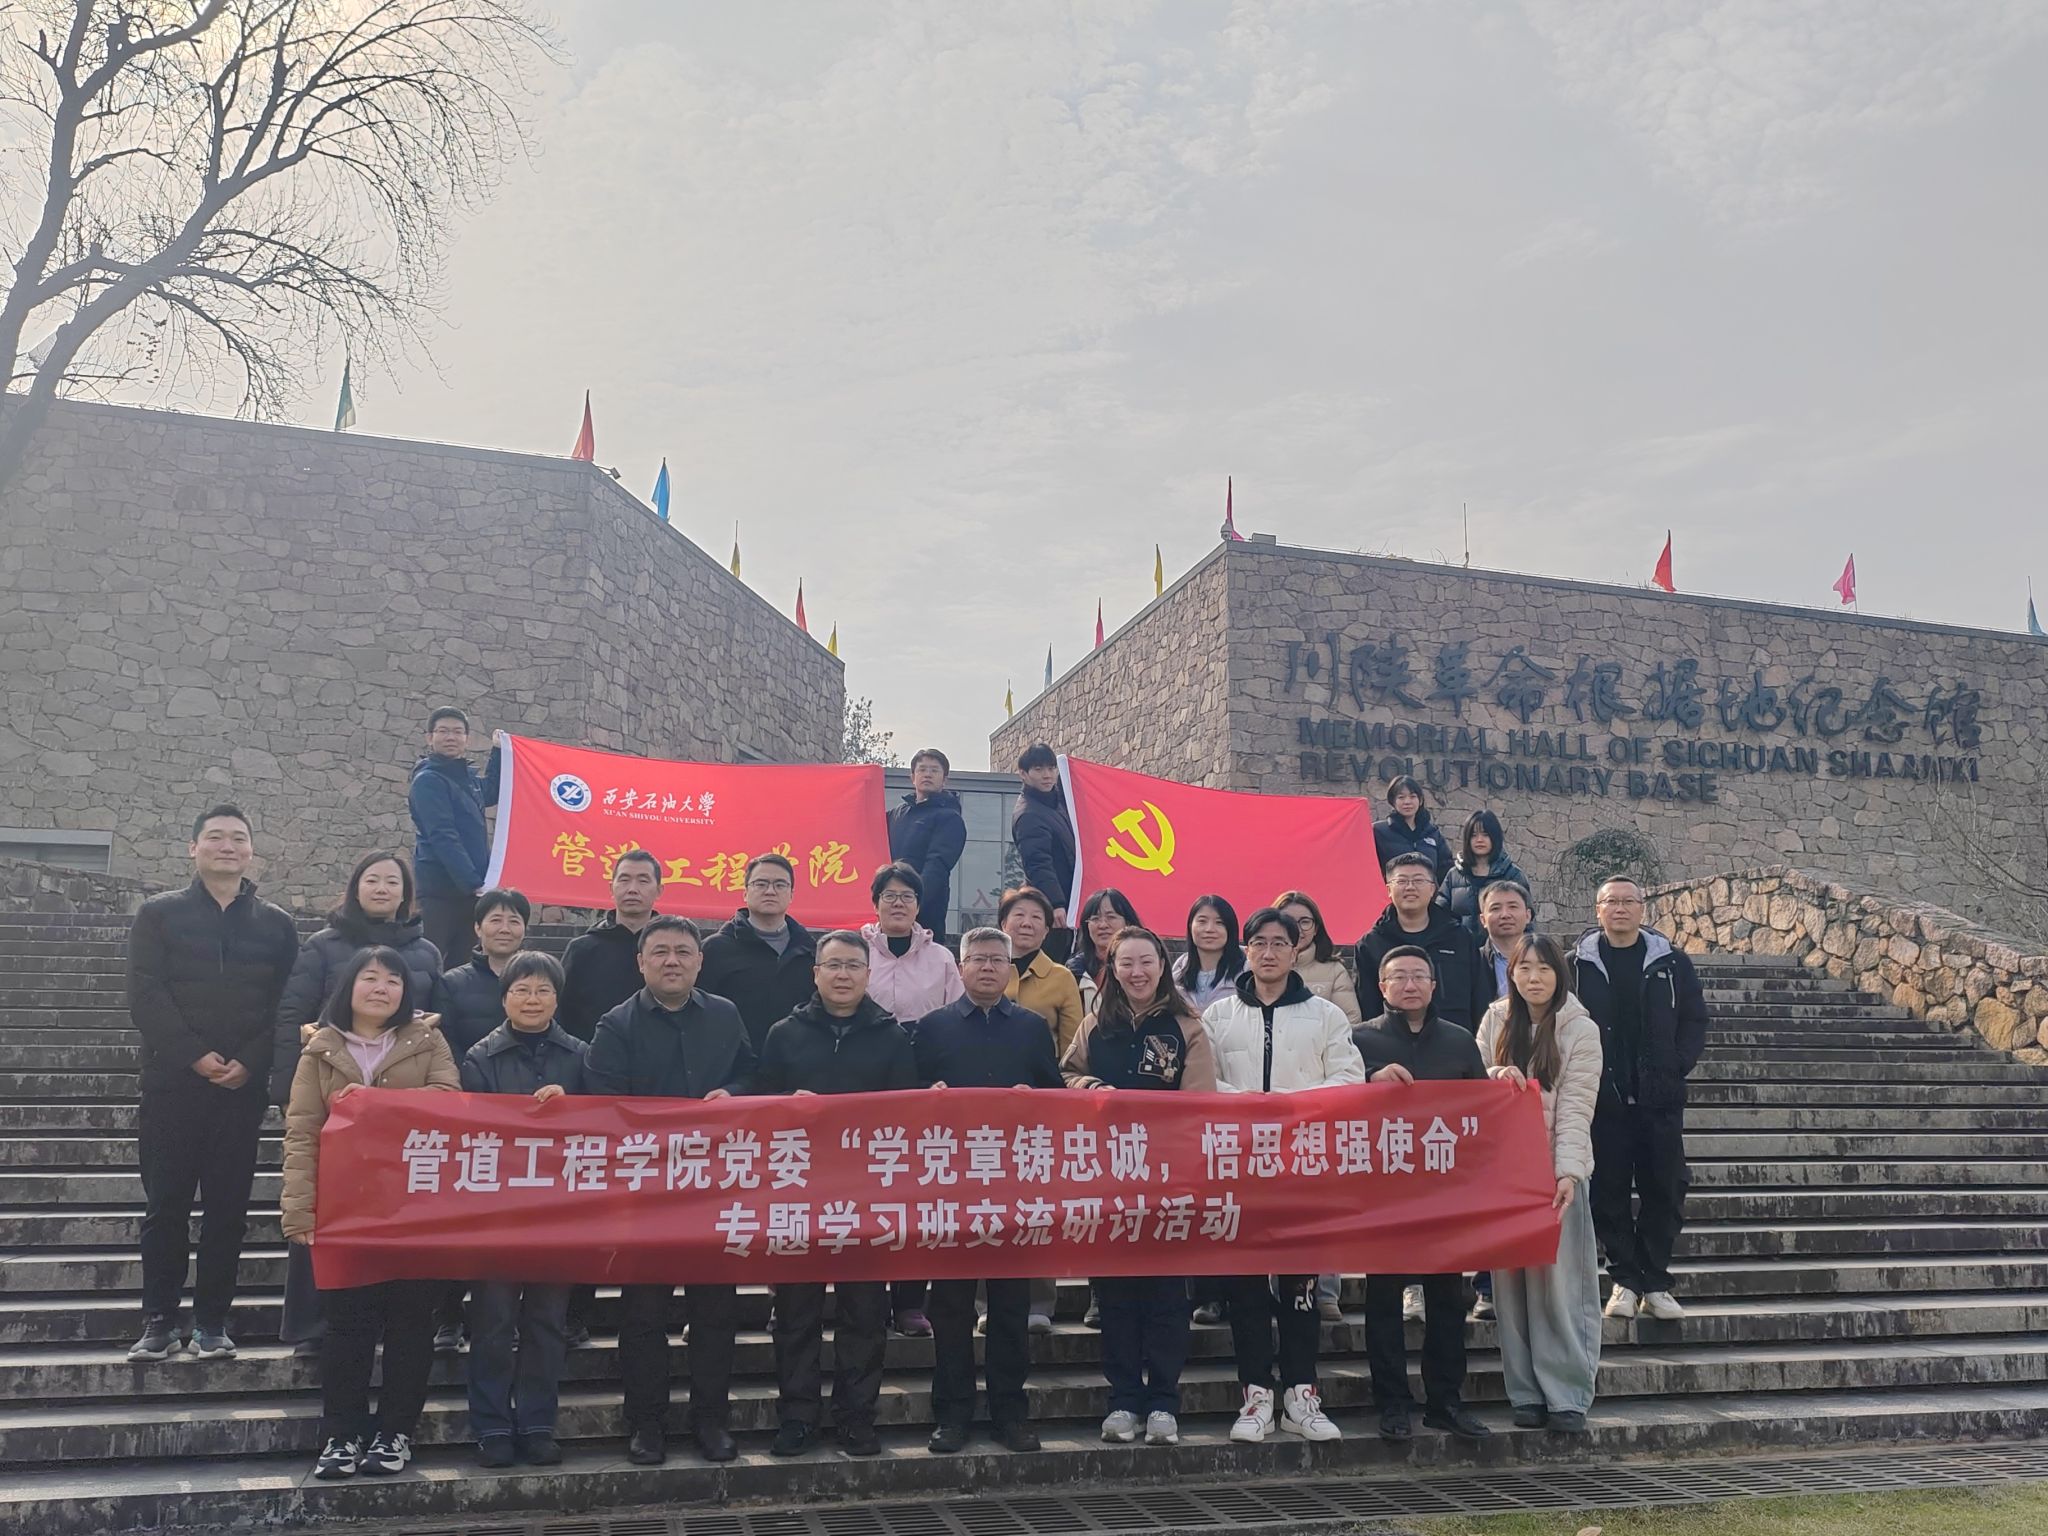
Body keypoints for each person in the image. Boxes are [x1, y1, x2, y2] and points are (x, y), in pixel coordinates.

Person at [125, 805, 298, 1363]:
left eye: (238, 838)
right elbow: (145, 994)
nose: (228, 846)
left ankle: (212, 1322)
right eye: (216, 837)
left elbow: (286, 1006)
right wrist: (195, 1056)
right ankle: (158, 1320)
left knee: (228, 1211)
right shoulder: (159, 914)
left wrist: (251, 1061)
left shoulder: (276, 924)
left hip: (240, 1092)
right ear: (193, 848)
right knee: (166, 1207)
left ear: (251, 851)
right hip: (171, 1086)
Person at [283, 947, 461, 1479]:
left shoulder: (427, 1040)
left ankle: (395, 1433)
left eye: (393, 981)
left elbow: (448, 1102)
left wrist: (373, 1103)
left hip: (415, 1206)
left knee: (411, 1324)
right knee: (347, 1327)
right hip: (346, 1207)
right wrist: (299, 1209)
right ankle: (342, 1435)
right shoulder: (320, 1048)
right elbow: (302, 1131)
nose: (382, 988)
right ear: (349, 986)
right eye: (370, 978)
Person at [584, 916, 755, 1466]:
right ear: (641, 962)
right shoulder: (616, 1024)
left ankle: (711, 1420)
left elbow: (752, 1075)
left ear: (700, 961)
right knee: (643, 1315)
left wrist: (732, 1094)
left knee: (715, 1313)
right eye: (660, 952)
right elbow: (602, 1100)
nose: (672, 961)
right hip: (646, 1194)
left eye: (683, 951)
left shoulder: (725, 1014)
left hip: (713, 1189)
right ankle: (647, 1423)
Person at [269, 851, 444, 1356]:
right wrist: (289, 1087)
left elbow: (438, 1019)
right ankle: (311, 1326)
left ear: (406, 894)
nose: (383, 888)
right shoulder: (324, 945)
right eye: (373, 879)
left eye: (393, 881)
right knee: (321, 1210)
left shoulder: (426, 951)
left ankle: (387, 1322)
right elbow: (294, 1011)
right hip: (332, 1095)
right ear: (355, 887)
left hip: (403, 1111)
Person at [753, 931, 918, 1459]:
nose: (843, 975)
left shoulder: (892, 1038)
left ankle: (856, 1417)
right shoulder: (784, 1034)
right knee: (795, 1313)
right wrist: (787, 1104)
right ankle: (797, 1418)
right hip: (798, 1193)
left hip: (866, 1196)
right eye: (833, 965)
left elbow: (905, 1115)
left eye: (853, 966)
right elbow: (757, 1107)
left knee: (864, 1313)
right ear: (816, 973)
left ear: (868, 974)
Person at [1201, 907, 1362, 1445]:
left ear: (1297, 951)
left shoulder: (1325, 1015)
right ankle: (1255, 1395)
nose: (1268, 952)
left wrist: (1288, 1107)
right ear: (1245, 950)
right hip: (1239, 1167)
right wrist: (1251, 1106)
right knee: (1246, 1288)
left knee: (1301, 1288)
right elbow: (1202, 1084)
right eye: (1259, 943)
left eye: (1279, 943)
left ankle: (1301, 1394)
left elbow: (1349, 1078)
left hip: (1303, 1168)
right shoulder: (1219, 1016)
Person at [1061, 928, 1216, 1448]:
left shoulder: (1186, 1026)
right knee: (1116, 1297)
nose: (1136, 972)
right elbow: (1066, 1076)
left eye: (1146, 961)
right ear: (1112, 968)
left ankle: (1164, 1402)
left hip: (1168, 1182)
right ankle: (1123, 1400)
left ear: (1162, 966)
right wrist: (1090, 1087)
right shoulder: (1094, 1024)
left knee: (1167, 1297)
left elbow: (1200, 1103)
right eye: (1125, 963)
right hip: (1108, 1181)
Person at [913, 927, 1064, 1455]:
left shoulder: (1031, 1027)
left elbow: (1056, 1097)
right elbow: (905, 1099)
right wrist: (927, 1096)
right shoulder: (932, 1028)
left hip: (1012, 1185)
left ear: (1010, 970)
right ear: (960, 967)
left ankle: (1009, 1412)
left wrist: (1033, 1098)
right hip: (949, 1186)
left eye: (997, 960)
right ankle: (952, 1413)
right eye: (977, 959)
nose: (987, 967)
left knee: (1010, 1305)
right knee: (950, 1307)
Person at [1352, 944, 1491, 1445]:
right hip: (1382, 1194)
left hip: (1443, 1194)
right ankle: (1392, 1402)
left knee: (1448, 1300)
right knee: (1384, 1302)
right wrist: (1369, 1079)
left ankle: (1445, 1402)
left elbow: (1484, 1112)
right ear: (1381, 986)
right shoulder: (1360, 1040)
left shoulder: (1459, 1041)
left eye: (1418, 976)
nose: (1409, 985)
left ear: (1434, 986)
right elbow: (1335, 1103)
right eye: (1398, 976)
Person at [457, 951, 587, 1467]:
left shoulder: (580, 1056)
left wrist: (572, 1103)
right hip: (499, 1212)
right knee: (492, 1322)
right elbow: (470, 1131)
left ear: (557, 998)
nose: (532, 1000)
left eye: (543, 990)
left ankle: (537, 1423)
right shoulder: (479, 1058)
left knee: (547, 1321)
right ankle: (491, 1426)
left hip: (560, 1213)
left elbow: (604, 1123)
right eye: (521, 990)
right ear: (504, 997)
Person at [1476, 934, 1602, 1434]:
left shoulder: (1580, 1028)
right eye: (1524, 967)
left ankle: (1567, 1393)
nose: (1534, 977)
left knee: (1560, 1288)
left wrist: (1568, 1172)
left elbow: (1576, 1107)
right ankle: (1525, 1392)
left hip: (1555, 1177)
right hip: (1505, 1179)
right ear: (1511, 973)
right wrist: (1493, 1073)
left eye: (1544, 968)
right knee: (1510, 1291)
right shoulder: (1495, 1020)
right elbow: (1471, 1082)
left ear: (1559, 975)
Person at [1573, 877, 1708, 1324]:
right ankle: (1625, 1281)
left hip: (1659, 1098)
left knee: (1665, 1189)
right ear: (1597, 910)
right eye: (1611, 901)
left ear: (1643, 908)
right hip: (1603, 1100)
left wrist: (1675, 1064)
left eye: (1628, 901)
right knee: (1608, 1193)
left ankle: (1655, 1281)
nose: (1620, 909)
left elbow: (1694, 1019)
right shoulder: (1578, 965)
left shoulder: (1672, 962)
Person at [425, 885, 532, 1350]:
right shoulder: (452, 982)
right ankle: (448, 1317)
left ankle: (504, 1319)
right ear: (477, 928)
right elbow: (441, 1043)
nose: (504, 928)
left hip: (524, 1122)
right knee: (457, 1222)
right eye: (495, 919)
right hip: (468, 1117)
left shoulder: (539, 977)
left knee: (514, 1226)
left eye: (514, 920)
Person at [860, 861, 962, 1341]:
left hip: (925, 1080)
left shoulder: (941, 957)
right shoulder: (855, 950)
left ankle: (908, 1302)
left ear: (919, 906)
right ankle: (867, 1298)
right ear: (875, 903)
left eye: (907, 896)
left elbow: (956, 1015)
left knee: (916, 1195)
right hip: (866, 1080)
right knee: (867, 1192)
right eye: (889, 895)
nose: (898, 903)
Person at [996, 884, 1085, 1331]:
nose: (1027, 923)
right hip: (985, 1108)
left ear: (1049, 929)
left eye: (1036, 917)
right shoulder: (981, 965)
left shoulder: (1061, 978)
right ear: (1002, 924)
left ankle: (1039, 1303)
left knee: (1036, 1205)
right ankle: (987, 1303)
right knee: (987, 1205)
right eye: (1018, 915)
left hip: (1038, 1107)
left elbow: (1071, 1047)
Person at [407, 707, 501, 966]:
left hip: (470, 892)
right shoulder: (428, 781)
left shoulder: (466, 778)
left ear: (466, 739)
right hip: (440, 891)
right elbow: (442, 835)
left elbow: (491, 791)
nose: (451, 737)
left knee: (463, 966)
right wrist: (473, 882)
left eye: (458, 732)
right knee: (430, 963)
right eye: (443, 731)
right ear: (430, 738)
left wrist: (499, 752)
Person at [700, 852, 819, 1053]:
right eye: (761, 884)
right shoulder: (715, 949)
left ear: (791, 894)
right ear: (745, 893)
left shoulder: (811, 951)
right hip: (733, 1063)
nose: (770, 891)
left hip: (797, 1063)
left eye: (780, 885)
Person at [1356, 853, 1489, 1030]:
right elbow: (1367, 1005)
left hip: (1454, 1039)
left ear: (1432, 889)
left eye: (1418, 880)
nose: (1410, 887)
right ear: (1389, 890)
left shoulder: (1459, 937)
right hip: (1392, 1041)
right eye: (1402, 881)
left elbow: (1479, 997)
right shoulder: (1371, 944)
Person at [558, 850, 663, 1042]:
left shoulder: (672, 951)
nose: (632, 889)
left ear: (659, 890)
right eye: (624, 880)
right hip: (592, 1055)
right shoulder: (582, 950)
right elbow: (560, 1011)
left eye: (643, 880)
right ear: (611, 888)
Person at [887, 748, 967, 938]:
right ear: (912, 777)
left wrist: (912, 901)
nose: (927, 774)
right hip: (890, 906)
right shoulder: (897, 814)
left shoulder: (949, 818)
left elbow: (937, 867)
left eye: (934, 770)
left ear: (944, 779)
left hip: (926, 909)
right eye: (922, 769)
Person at [1010, 743, 1075, 958]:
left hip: (1070, 899)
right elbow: (1038, 863)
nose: (1047, 775)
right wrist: (1056, 903)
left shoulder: (1057, 801)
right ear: (1023, 774)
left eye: (1051, 768)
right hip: (1052, 908)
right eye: (1038, 770)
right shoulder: (1029, 814)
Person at [1437, 810, 1532, 940]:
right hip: (1460, 947)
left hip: (1503, 947)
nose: (1479, 840)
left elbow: (1527, 921)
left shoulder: (1513, 875)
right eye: (1473, 835)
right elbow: (1440, 915)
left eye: (1485, 835)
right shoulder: (1454, 876)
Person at [1274, 889, 1362, 1026]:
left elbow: (1350, 1021)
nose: (1297, 929)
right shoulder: (1257, 966)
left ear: (1315, 929)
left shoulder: (1334, 971)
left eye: (1305, 922)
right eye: (1288, 921)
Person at [1370, 774, 1451, 888]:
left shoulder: (1433, 833)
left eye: (1412, 796)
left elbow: (1446, 871)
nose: (1407, 802)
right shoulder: (1378, 831)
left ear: (1420, 800)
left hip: (1428, 898)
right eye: (1401, 797)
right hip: (1393, 896)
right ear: (1393, 802)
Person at [1068, 887, 1142, 1011]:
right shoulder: (1074, 971)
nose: (1102, 925)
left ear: (1128, 923)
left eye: (1111, 917)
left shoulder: (1143, 968)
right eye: (1095, 919)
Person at [1171, 894, 1245, 1012]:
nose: (1209, 929)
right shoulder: (1179, 969)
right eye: (1202, 921)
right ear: (1190, 926)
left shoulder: (1247, 970)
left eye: (1219, 922)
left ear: (1230, 928)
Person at [1478, 880, 1534, 1002]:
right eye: (1495, 908)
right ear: (1483, 920)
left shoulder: (1547, 958)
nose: (1505, 915)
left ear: (1528, 915)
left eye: (1513, 907)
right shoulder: (1473, 962)